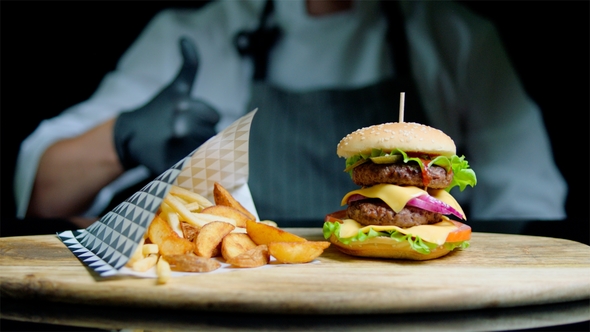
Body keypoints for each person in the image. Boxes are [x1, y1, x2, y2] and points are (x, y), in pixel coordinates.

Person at [14, 0, 567, 226]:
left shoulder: (456, 37)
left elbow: (531, 206)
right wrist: (124, 138)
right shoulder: (199, 33)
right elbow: (41, 187)